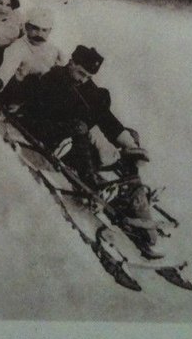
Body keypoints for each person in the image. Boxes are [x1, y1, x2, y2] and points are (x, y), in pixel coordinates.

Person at [11, 45, 160, 256]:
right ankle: (93, 187)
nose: (83, 79)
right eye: (81, 72)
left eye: (88, 76)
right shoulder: (52, 79)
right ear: (71, 62)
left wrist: (128, 143)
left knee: (129, 138)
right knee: (82, 127)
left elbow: (105, 118)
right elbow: (41, 110)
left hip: (73, 137)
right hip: (44, 130)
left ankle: (136, 207)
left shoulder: (86, 87)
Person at [0, 6, 65, 107]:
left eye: (44, 30)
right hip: (15, 89)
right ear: (27, 27)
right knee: (32, 81)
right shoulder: (18, 47)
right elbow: (5, 72)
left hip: (37, 93)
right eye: (35, 28)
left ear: (49, 31)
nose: (40, 34)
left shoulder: (53, 50)